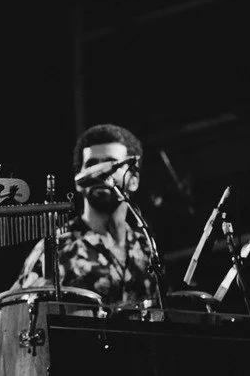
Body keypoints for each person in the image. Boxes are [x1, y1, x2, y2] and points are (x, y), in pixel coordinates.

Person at [10, 124, 160, 307]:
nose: (100, 172)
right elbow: (17, 315)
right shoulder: (56, 249)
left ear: (134, 180)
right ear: (79, 181)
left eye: (111, 164)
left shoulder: (147, 248)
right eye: (91, 164)